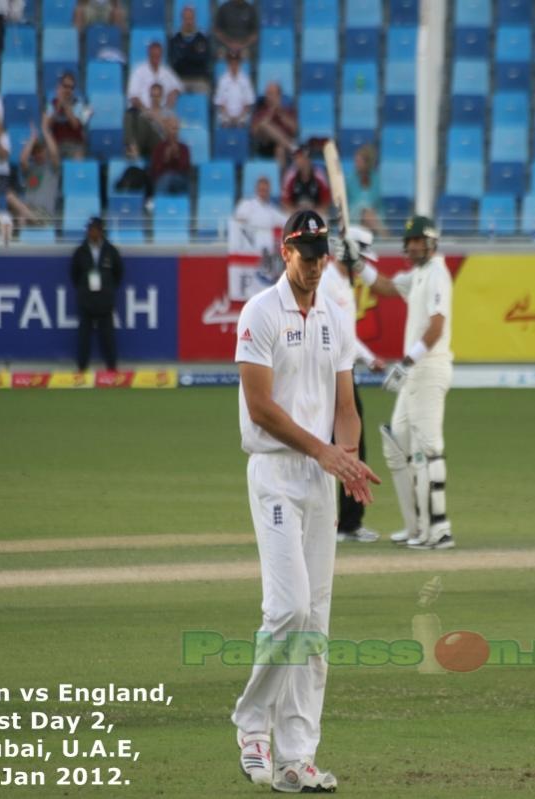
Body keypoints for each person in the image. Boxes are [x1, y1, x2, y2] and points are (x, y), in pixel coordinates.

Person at [232, 209, 379, 793]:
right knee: (288, 609)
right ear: (286, 250)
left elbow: (346, 403)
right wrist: (324, 452)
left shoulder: (335, 318)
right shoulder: (259, 312)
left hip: (320, 476)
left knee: (315, 624)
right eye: (307, 253)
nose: (317, 264)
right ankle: (251, 722)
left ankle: (297, 755)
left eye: (323, 254)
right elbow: (261, 406)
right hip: (275, 472)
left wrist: (346, 457)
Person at [341, 215, 455, 550]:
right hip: (414, 374)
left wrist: (406, 363)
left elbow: (435, 329)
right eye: (410, 242)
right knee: (397, 444)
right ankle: (415, 526)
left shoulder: (437, 274)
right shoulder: (418, 274)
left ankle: (439, 529)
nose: (412, 247)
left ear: (430, 242)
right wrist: (356, 261)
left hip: (429, 370)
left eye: (418, 241)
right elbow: (385, 286)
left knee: (428, 448)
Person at [319, 224, 386, 543]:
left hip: (344, 370)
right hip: (330, 374)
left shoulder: (344, 283)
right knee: (345, 444)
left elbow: (348, 335)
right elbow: (335, 332)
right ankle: (346, 524)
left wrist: (368, 357)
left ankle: (348, 522)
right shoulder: (328, 283)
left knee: (348, 442)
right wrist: (368, 357)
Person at [70, 216, 124, 372]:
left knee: (108, 337)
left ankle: (112, 369)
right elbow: (74, 275)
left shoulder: (111, 251)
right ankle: (82, 368)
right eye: (89, 229)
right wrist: (83, 289)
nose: (91, 232)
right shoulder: (80, 252)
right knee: (83, 337)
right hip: (86, 301)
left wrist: (108, 289)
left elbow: (118, 274)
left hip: (105, 302)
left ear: (100, 231)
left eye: (94, 229)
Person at [125, 42, 182, 157]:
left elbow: (178, 86)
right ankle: (134, 149)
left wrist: (173, 94)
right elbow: (133, 97)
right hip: (143, 113)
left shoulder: (166, 72)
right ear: (149, 55)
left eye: (158, 56)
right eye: (153, 56)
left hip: (160, 119)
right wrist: (148, 112)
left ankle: (136, 150)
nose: (156, 59)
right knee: (131, 116)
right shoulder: (139, 71)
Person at [7, 126, 60, 226]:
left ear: (45, 151)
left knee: (19, 211)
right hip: (28, 210)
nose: (38, 154)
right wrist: (32, 139)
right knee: (12, 201)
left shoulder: (53, 169)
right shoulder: (30, 169)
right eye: (35, 152)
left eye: (40, 151)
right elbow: (22, 160)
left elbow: (54, 154)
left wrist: (46, 132)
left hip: (44, 214)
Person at [230, 175, 287, 253]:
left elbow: (286, 220)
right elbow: (237, 222)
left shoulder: (272, 210)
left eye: (265, 190)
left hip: (266, 247)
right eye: (261, 189)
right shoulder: (246, 204)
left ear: (269, 191)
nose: (263, 192)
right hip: (248, 246)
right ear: (256, 189)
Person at [43, 72, 89, 160]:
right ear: (60, 86)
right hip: (56, 143)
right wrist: (58, 106)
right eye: (65, 86)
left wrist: (65, 104)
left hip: (74, 143)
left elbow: (75, 125)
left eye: (71, 88)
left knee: (78, 157)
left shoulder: (79, 104)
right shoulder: (52, 104)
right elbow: (48, 125)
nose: (68, 90)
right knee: (47, 154)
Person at [250, 81, 297, 168]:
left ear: (279, 96)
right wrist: (271, 111)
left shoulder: (286, 110)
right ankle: (292, 148)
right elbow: (254, 131)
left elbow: (294, 129)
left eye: (271, 93)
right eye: (267, 93)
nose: (268, 96)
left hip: (282, 145)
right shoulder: (261, 109)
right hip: (265, 144)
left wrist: (280, 112)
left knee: (280, 149)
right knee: (264, 125)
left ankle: (281, 179)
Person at [346, 145, 386, 237]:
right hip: (354, 214)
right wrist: (364, 209)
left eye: (359, 161)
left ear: (367, 163)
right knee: (367, 215)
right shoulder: (350, 179)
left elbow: (375, 201)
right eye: (355, 161)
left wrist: (367, 210)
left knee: (369, 216)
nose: (356, 164)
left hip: (374, 213)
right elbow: (351, 203)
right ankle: (386, 238)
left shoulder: (376, 179)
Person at [168, 5, 211, 93]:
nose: (188, 21)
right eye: (186, 18)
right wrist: (193, 53)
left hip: (199, 79)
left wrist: (185, 54)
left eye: (191, 18)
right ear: (182, 19)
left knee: (203, 90)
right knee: (172, 91)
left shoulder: (202, 38)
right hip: (180, 79)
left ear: (194, 19)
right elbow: (175, 61)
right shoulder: (175, 39)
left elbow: (203, 60)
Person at [281, 147, 330, 216]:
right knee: (285, 216)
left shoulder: (320, 175)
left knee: (325, 217)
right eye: (296, 158)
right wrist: (297, 211)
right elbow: (285, 202)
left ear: (307, 159)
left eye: (299, 158)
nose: (297, 161)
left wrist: (313, 212)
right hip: (295, 214)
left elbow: (326, 202)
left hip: (316, 213)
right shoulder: (290, 175)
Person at [149, 116, 190, 195]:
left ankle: (158, 202)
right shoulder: (159, 148)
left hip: (180, 181)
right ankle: (160, 202)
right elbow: (155, 172)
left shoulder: (184, 148)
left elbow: (185, 170)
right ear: (166, 130)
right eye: (173, 129)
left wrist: (177, 157)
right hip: (162, 180)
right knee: (166, 178)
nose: (175, 132)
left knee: (169, 177)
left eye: (176, 129)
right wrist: (165, 159)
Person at [213, 50, 254, 128]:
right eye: (231, 63)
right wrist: (229, 117)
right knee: (224, 124)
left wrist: (239, 117)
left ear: (239, 64)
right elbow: (220, 104)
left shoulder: (245, 80)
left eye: (236, 63)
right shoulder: (222, 80)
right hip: (225, 116)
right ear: (228, 64)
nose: (234, 66)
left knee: (242, 124)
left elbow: (248, 104)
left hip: (242, 116)